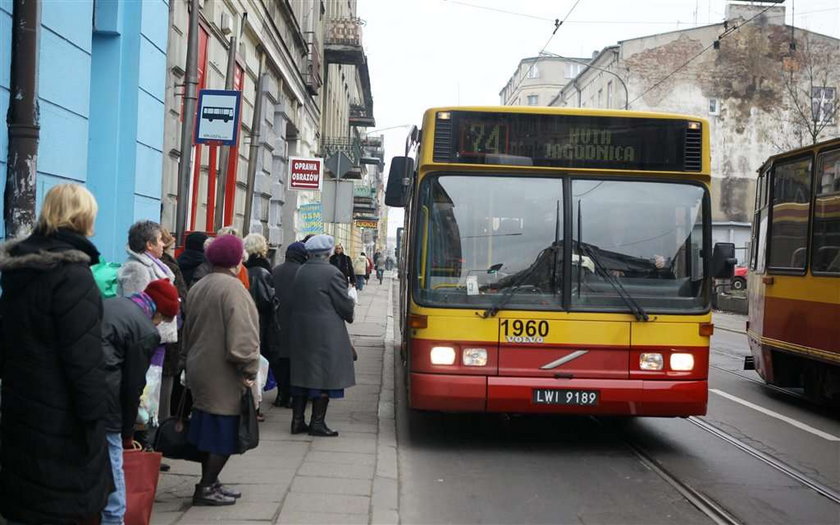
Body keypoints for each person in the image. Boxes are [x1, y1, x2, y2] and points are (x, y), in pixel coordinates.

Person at [0, 184, 112, 523]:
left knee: (28, 504)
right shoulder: (72, 277)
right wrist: (96, 418)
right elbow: (84, 358)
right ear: (82, 217)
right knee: (62, 507)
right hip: (63, 420)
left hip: (22, 410)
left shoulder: (19, 271)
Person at [181, 234, 260, 506]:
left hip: (200, 366)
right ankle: (205, 487)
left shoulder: (200, 285)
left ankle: (211, 483)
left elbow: (187, 330)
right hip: (224, 372)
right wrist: (249, 370)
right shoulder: (234, 289)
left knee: (210, 431)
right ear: (236, 260)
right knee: (224, 433)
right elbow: (243, 337)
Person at [101, 279, 179, 524]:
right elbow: (132, 386)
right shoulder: (145, 331)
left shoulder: (114, 304)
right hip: (106, 402)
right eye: (164, 320)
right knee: (115, 475)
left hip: (82, 393)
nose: (161, 325)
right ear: (159, 311)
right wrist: (127, 433)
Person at [288, 234, 356, 437]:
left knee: (302, 376)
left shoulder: (301, 271)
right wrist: (350, 307)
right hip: (325, 333)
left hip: (301, 331)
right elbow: (343, 305)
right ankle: (317, 423)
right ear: (327, 253)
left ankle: (297, 421)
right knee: (325, 377)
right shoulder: (332, 273)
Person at [243, 233, 278, 422]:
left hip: (246, 321)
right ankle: (253, 408)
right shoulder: (263, 270)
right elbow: (267, 301)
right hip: (260, 323)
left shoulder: (243, 268)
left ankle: (250, 406)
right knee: (256, 366)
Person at [270, 242, 307, 408]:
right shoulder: (303, 273)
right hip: (297, 323)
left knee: (279, 362)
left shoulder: (275, 270)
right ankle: (292, 396)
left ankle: (280, 394)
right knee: (294, 363)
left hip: (277, 322)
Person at [158, 228, 189, 422]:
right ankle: (161, 426)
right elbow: (182, 300)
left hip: (156, 332)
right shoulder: (169, 268)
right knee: (165, 384)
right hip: (168, 332)